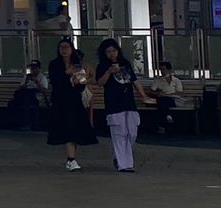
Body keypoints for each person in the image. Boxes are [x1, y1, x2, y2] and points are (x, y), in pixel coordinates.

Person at [96, 39, 150, 173]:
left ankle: (119, 156)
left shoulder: (125, 64)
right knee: (119, 133)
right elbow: (100, 83)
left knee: (132, 132)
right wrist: (108, 72)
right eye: (108, 52)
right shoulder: (102, 66)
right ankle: (124, 164)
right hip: (114, 103)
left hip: (129, 102)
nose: (111, 54)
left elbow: (134, 81)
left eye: (113, 51)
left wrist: (143, 96)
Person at [46, 38, 96, 171]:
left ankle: (72, 158)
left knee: (75, 129)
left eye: (66, 47)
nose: (64, 50)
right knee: (67, 129)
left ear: (71, 49)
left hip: (74, 100)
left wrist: (78, 81)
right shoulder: (54, 64)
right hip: (60, 100)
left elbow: (82, 83)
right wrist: (65, 74)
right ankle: (71, 159)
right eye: (61, 47)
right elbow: (55, 81)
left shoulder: (77, 64)